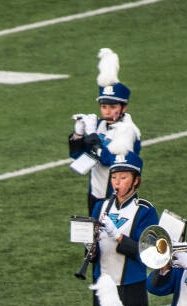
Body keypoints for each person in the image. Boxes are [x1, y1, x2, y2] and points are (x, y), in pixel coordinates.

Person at [84, 126, 154, 306]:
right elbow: (92, 252)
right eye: (114, 177)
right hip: (103, 283)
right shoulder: (100, 206)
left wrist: (117, 236)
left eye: (123, 177)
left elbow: (146, 253)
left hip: (131, 286)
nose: (117, 182)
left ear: (136, 180)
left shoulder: (145, 210)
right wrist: (89, 245)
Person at [68, 47, 134, 212]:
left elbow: (109, 160)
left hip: (116, 197)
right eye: (104, 107)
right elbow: (78, 156)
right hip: (95, 194)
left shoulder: (128, 131)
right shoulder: (100, 125)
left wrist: (92, 135)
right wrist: (78, 134)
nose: (107, 112)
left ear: (124, 107)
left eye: (113, 107)